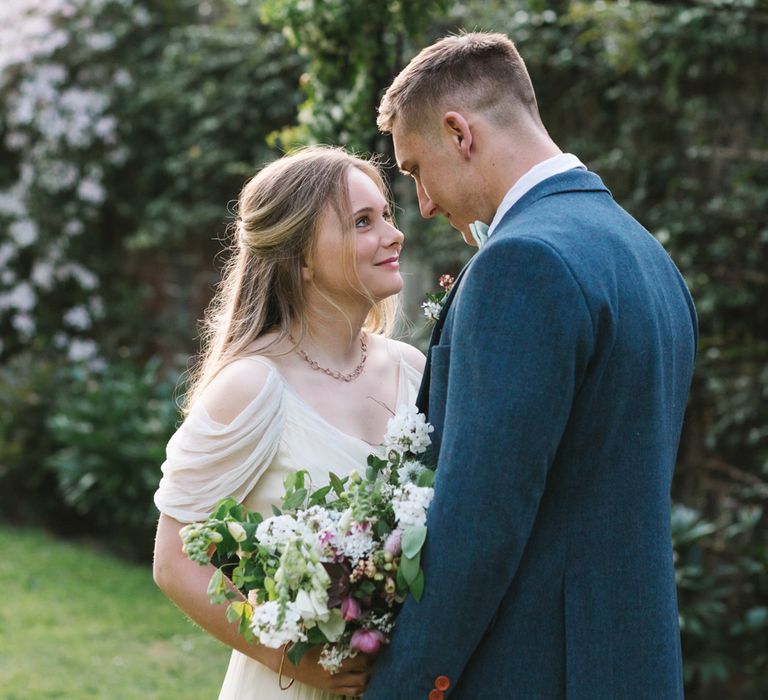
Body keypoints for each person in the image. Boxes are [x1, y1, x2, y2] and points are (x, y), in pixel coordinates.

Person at [363, 32, 698, 699]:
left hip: (533, 674)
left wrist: (400, 687)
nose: (424, 205)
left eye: (415, 170)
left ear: (460, 133)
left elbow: (478, 525)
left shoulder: (521, 264)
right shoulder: (649, 257)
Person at [152, 145, 425, 700]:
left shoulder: (414, 369)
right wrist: (289, 656)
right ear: (300, 257)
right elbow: (174, 560)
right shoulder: (252, 387)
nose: (394, 235)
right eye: (362, 222)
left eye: (387, 216)